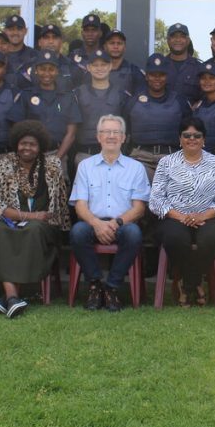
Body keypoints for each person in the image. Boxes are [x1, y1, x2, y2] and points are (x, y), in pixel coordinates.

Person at [0, 120, 71, 319]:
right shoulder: (4, 165)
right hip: (9, 222)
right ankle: (13, 297)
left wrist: (57, 226)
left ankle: (9, 297)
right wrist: (30, 216)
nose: (27, 148)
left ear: (40, 147)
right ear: (16, 144)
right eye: (23, 143)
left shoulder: (52, 165)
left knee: (32, 230)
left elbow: (60, 203)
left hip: (44, 225)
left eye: (32, 144)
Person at [150, 118, 215, 307]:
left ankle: (187, 284)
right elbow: (156, 200)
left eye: (197, 135)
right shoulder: (166, 163)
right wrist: (182, 217)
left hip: (209, 217)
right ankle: (195, 284)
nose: (192, 139)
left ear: (204, 139)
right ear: (179, 138)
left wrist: (202, 216)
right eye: (187, 135)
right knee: (175, 238)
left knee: (211, 239)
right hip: (174, 217)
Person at [69, 115, 150, 312]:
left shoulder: (136, 167)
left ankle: (112, 287)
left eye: (116, 132)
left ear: (124, 138)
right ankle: (95, 284)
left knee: (133, 234)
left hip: (123, 223)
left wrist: (116, 223)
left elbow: (139, 208)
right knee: (77, 232)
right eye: (106, 132)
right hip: (92, 221)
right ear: (98, 137)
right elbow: (80, 206)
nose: (111, 136)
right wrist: (97, 224)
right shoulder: (85, 166)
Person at [125, 54, 191, 181]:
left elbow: (189, 131)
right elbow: (124, 130)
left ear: (167, 76)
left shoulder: (179, 100)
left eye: (161, 75)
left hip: (171, 157)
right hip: (140, 158)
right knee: (139, 198)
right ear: (146, 76)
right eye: (153, 74)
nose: (157, 78)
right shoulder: (133, 101)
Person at [8, 49, 80, 162]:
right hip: (29, 156)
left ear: (57, 71)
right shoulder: (26, 95)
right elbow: (17, 129)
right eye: (42, 69)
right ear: (36, 70)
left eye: (51, 69)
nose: (47, 73)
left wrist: (57, 159)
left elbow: (71, 134)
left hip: (58, 154)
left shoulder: (68, 97)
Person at [73, 49, 131, 163]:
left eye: (103, 65)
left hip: (114, 155)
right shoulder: (78, 93)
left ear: (110, 66)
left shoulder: (121, 94)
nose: (99, 68)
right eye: (95, 65)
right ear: (88, 67)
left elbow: (127, 126)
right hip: (85, 154)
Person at [162, 23, 202, 101]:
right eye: (174, 36)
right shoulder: (160, 66)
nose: (178, 40)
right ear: (168, 40)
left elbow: (206, 96)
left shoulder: (199, 68)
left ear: (188, 40)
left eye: (182, 37)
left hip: (190, 113)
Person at [102, 28, 144, 95]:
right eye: (112, 43)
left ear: (125, 47)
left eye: (119, 43)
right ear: (105, 47)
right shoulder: (96, 71)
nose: (115, 46)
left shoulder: (134, 72)